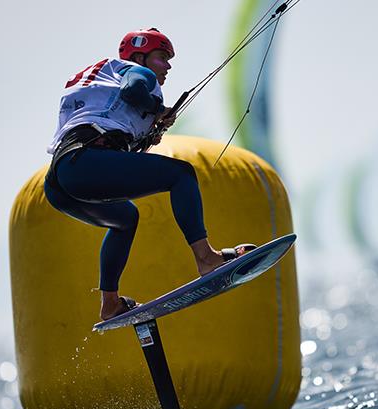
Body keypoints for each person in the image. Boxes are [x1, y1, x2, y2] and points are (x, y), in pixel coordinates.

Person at [44, 28, 253, 321]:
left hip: (59, 179)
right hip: (87, 161)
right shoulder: (136, 72)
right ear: (139, 56)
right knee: (181, 174)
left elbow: (109, 119)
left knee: (125, 219)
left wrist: (145, 135)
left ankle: (110, 303)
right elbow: (134, 91)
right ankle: (206, 258)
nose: (167, 66)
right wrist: (158, 109)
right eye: (162, 57)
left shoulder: (99, 76)